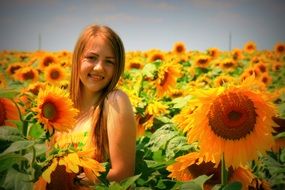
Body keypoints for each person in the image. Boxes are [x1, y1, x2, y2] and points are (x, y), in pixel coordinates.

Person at [47, 24, 136, 189]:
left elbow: (123, 175)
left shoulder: (115, 101)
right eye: (92, 57)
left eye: (109, 62)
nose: (99, 67)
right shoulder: (60, 110)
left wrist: (80, 179)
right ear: (77, 59)